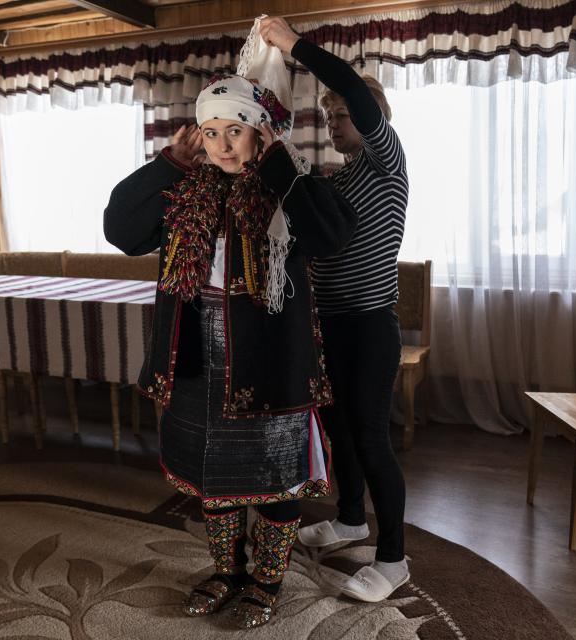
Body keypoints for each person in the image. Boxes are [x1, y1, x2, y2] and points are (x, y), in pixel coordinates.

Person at [103, 66, 357, 627]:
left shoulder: (287, 184)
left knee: (272, 476)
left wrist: (279, 168)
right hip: (193, 356)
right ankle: (227, 572)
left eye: (234, 131)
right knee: (212, 474)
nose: (221, 144)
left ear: (259, 133)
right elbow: (120, 230)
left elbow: (334, 234)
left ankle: (266, 583)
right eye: (210, 131)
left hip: (268, 359)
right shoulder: (183, 192)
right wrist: (167, 161)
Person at [259, 16, 411, 603]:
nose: (331, 122)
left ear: (372, 120)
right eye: (328, 118)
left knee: (371, 435)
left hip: (372, 325)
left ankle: (394, 558)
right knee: (340, 426)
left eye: (340, 116)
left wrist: (290, 44)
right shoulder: (342, 178)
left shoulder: (385, 161)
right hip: (334, 323)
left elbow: (347, 82)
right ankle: (351, 518)